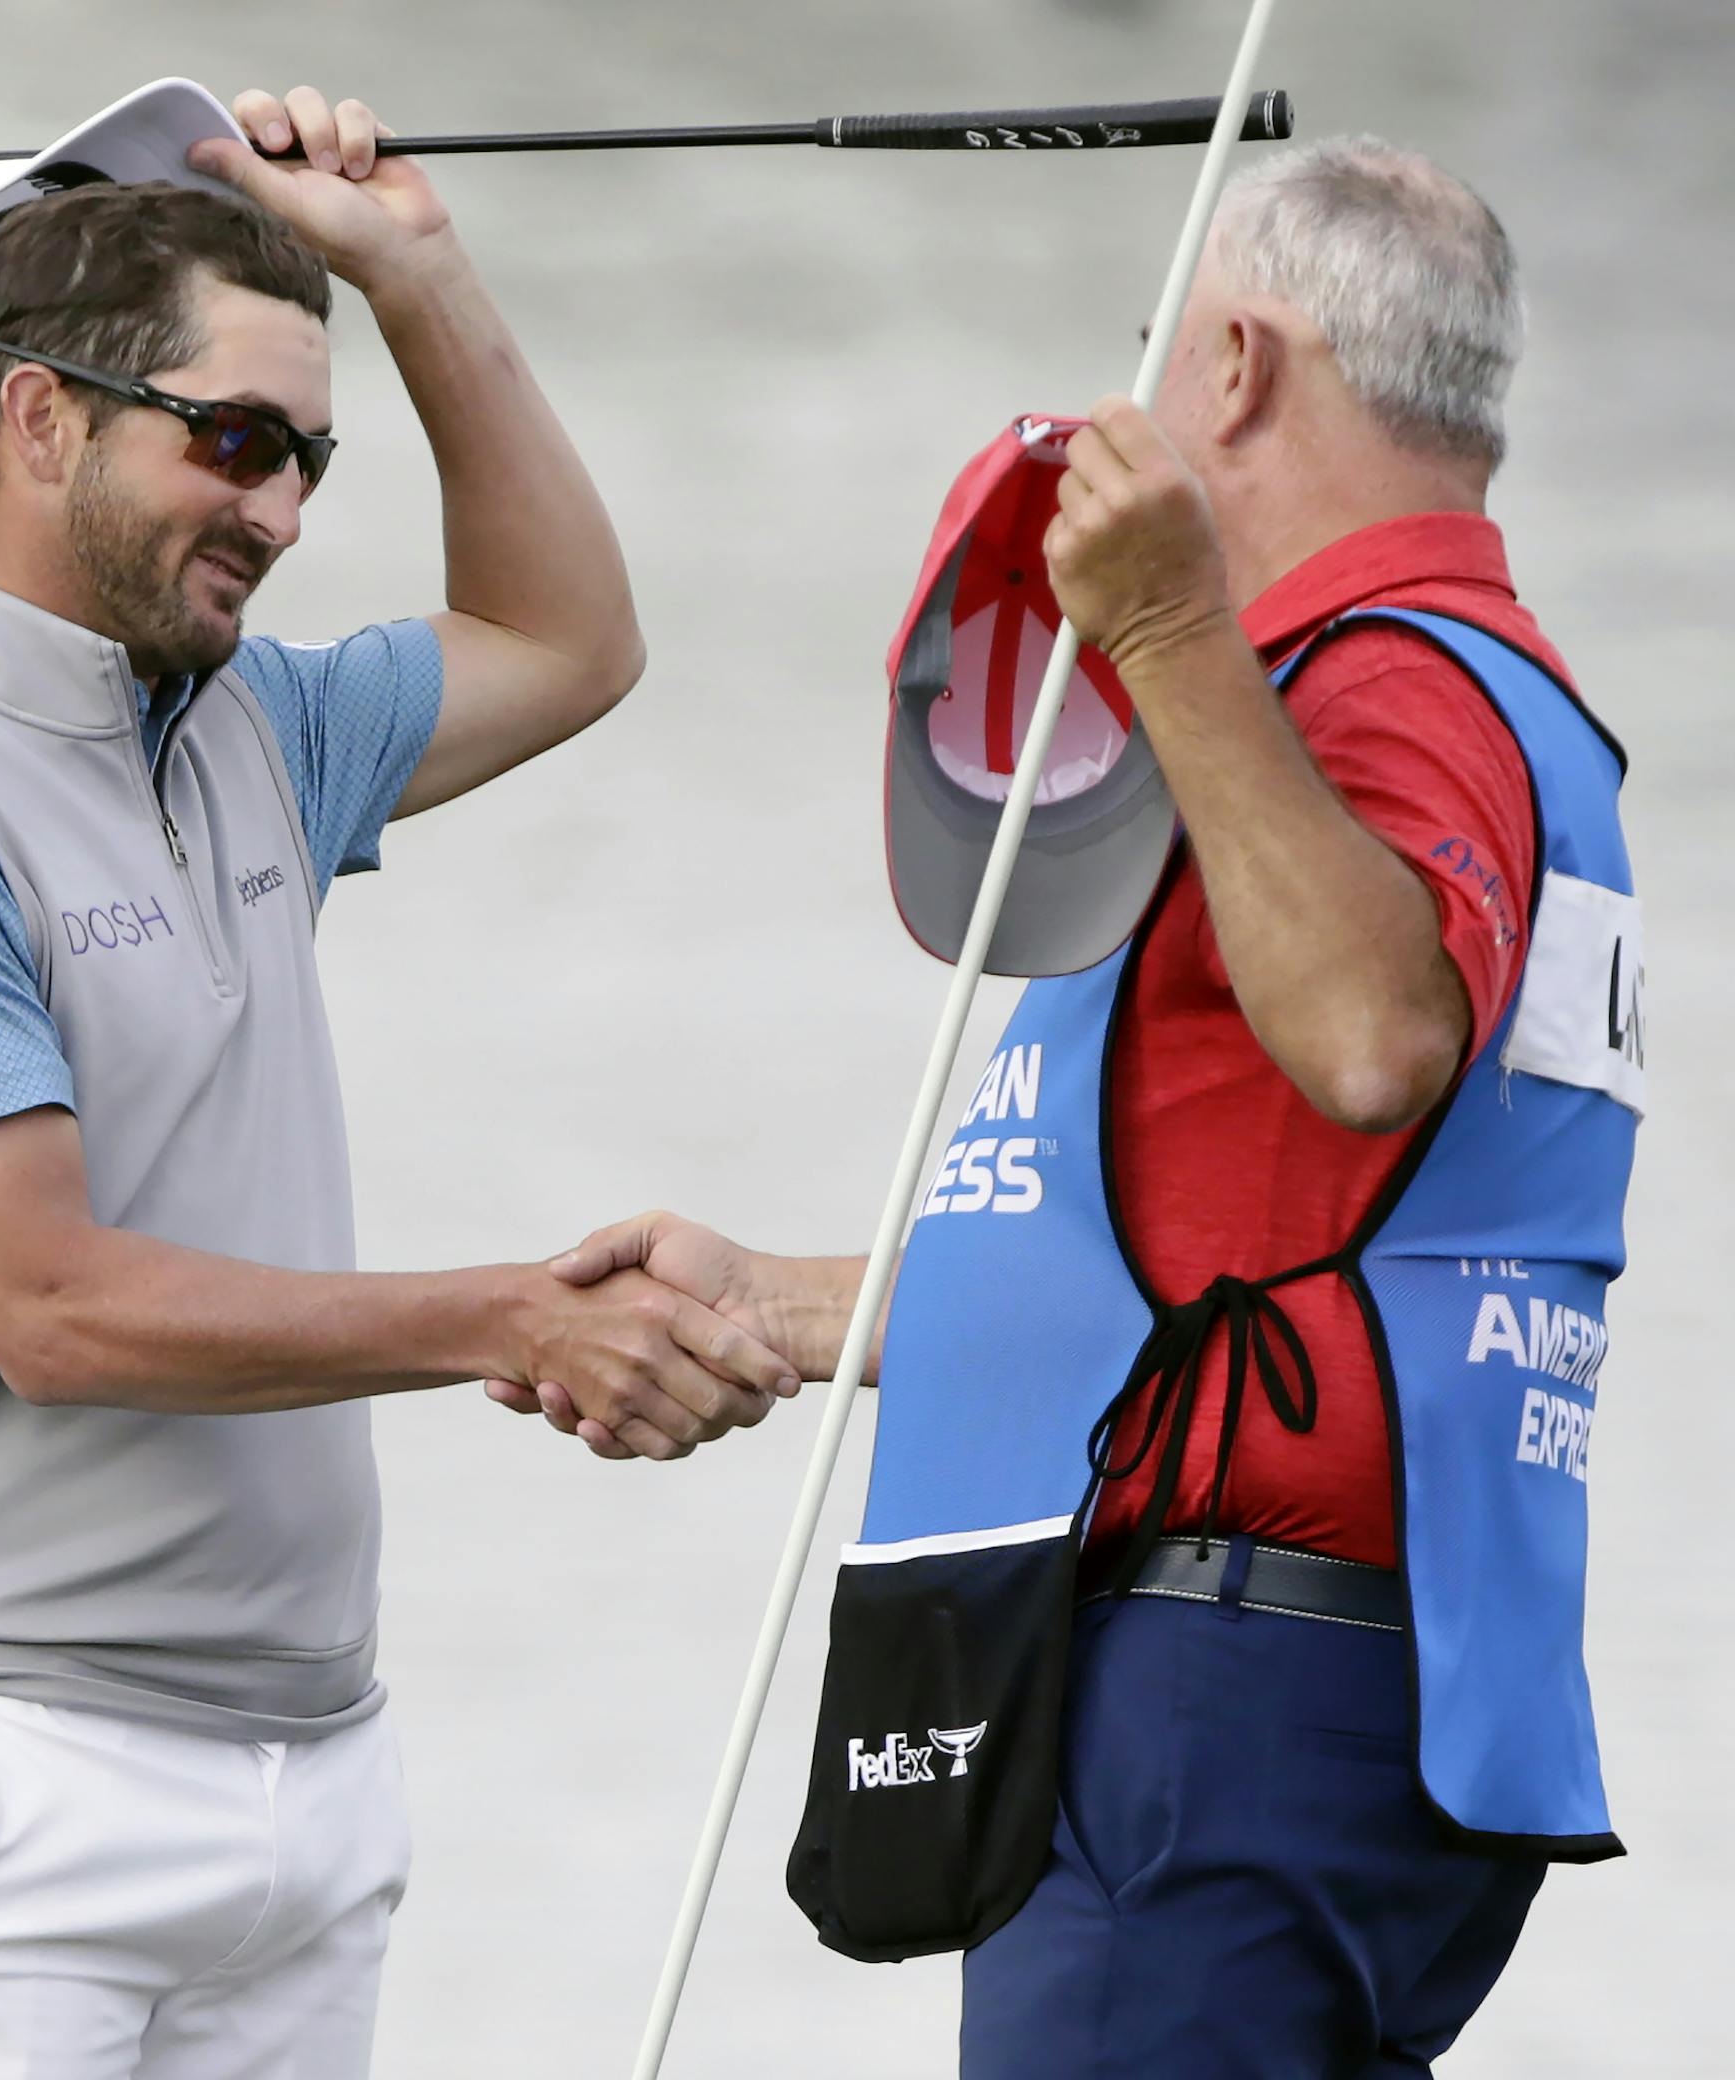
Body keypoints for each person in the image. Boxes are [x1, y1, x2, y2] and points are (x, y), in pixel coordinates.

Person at [498, 136, 1643, 2075]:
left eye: (1162, 344)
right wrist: (780, 1304)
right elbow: (1214, 1236)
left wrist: (1176, 635)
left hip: (1228, 1691)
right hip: (1380, 1677)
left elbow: (1375, 1038)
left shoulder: (1372, 680)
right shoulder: (1519, 701)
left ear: (1239, 370)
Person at [0, 84, 796, 2080]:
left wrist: (420, 274)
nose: (283, 515)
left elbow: (567, 639)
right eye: (232, 441)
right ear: (42, 420)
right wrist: (514, 1316)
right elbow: (55, 1308)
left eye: (307, 457)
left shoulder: (252, 730)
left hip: (307, 1773)